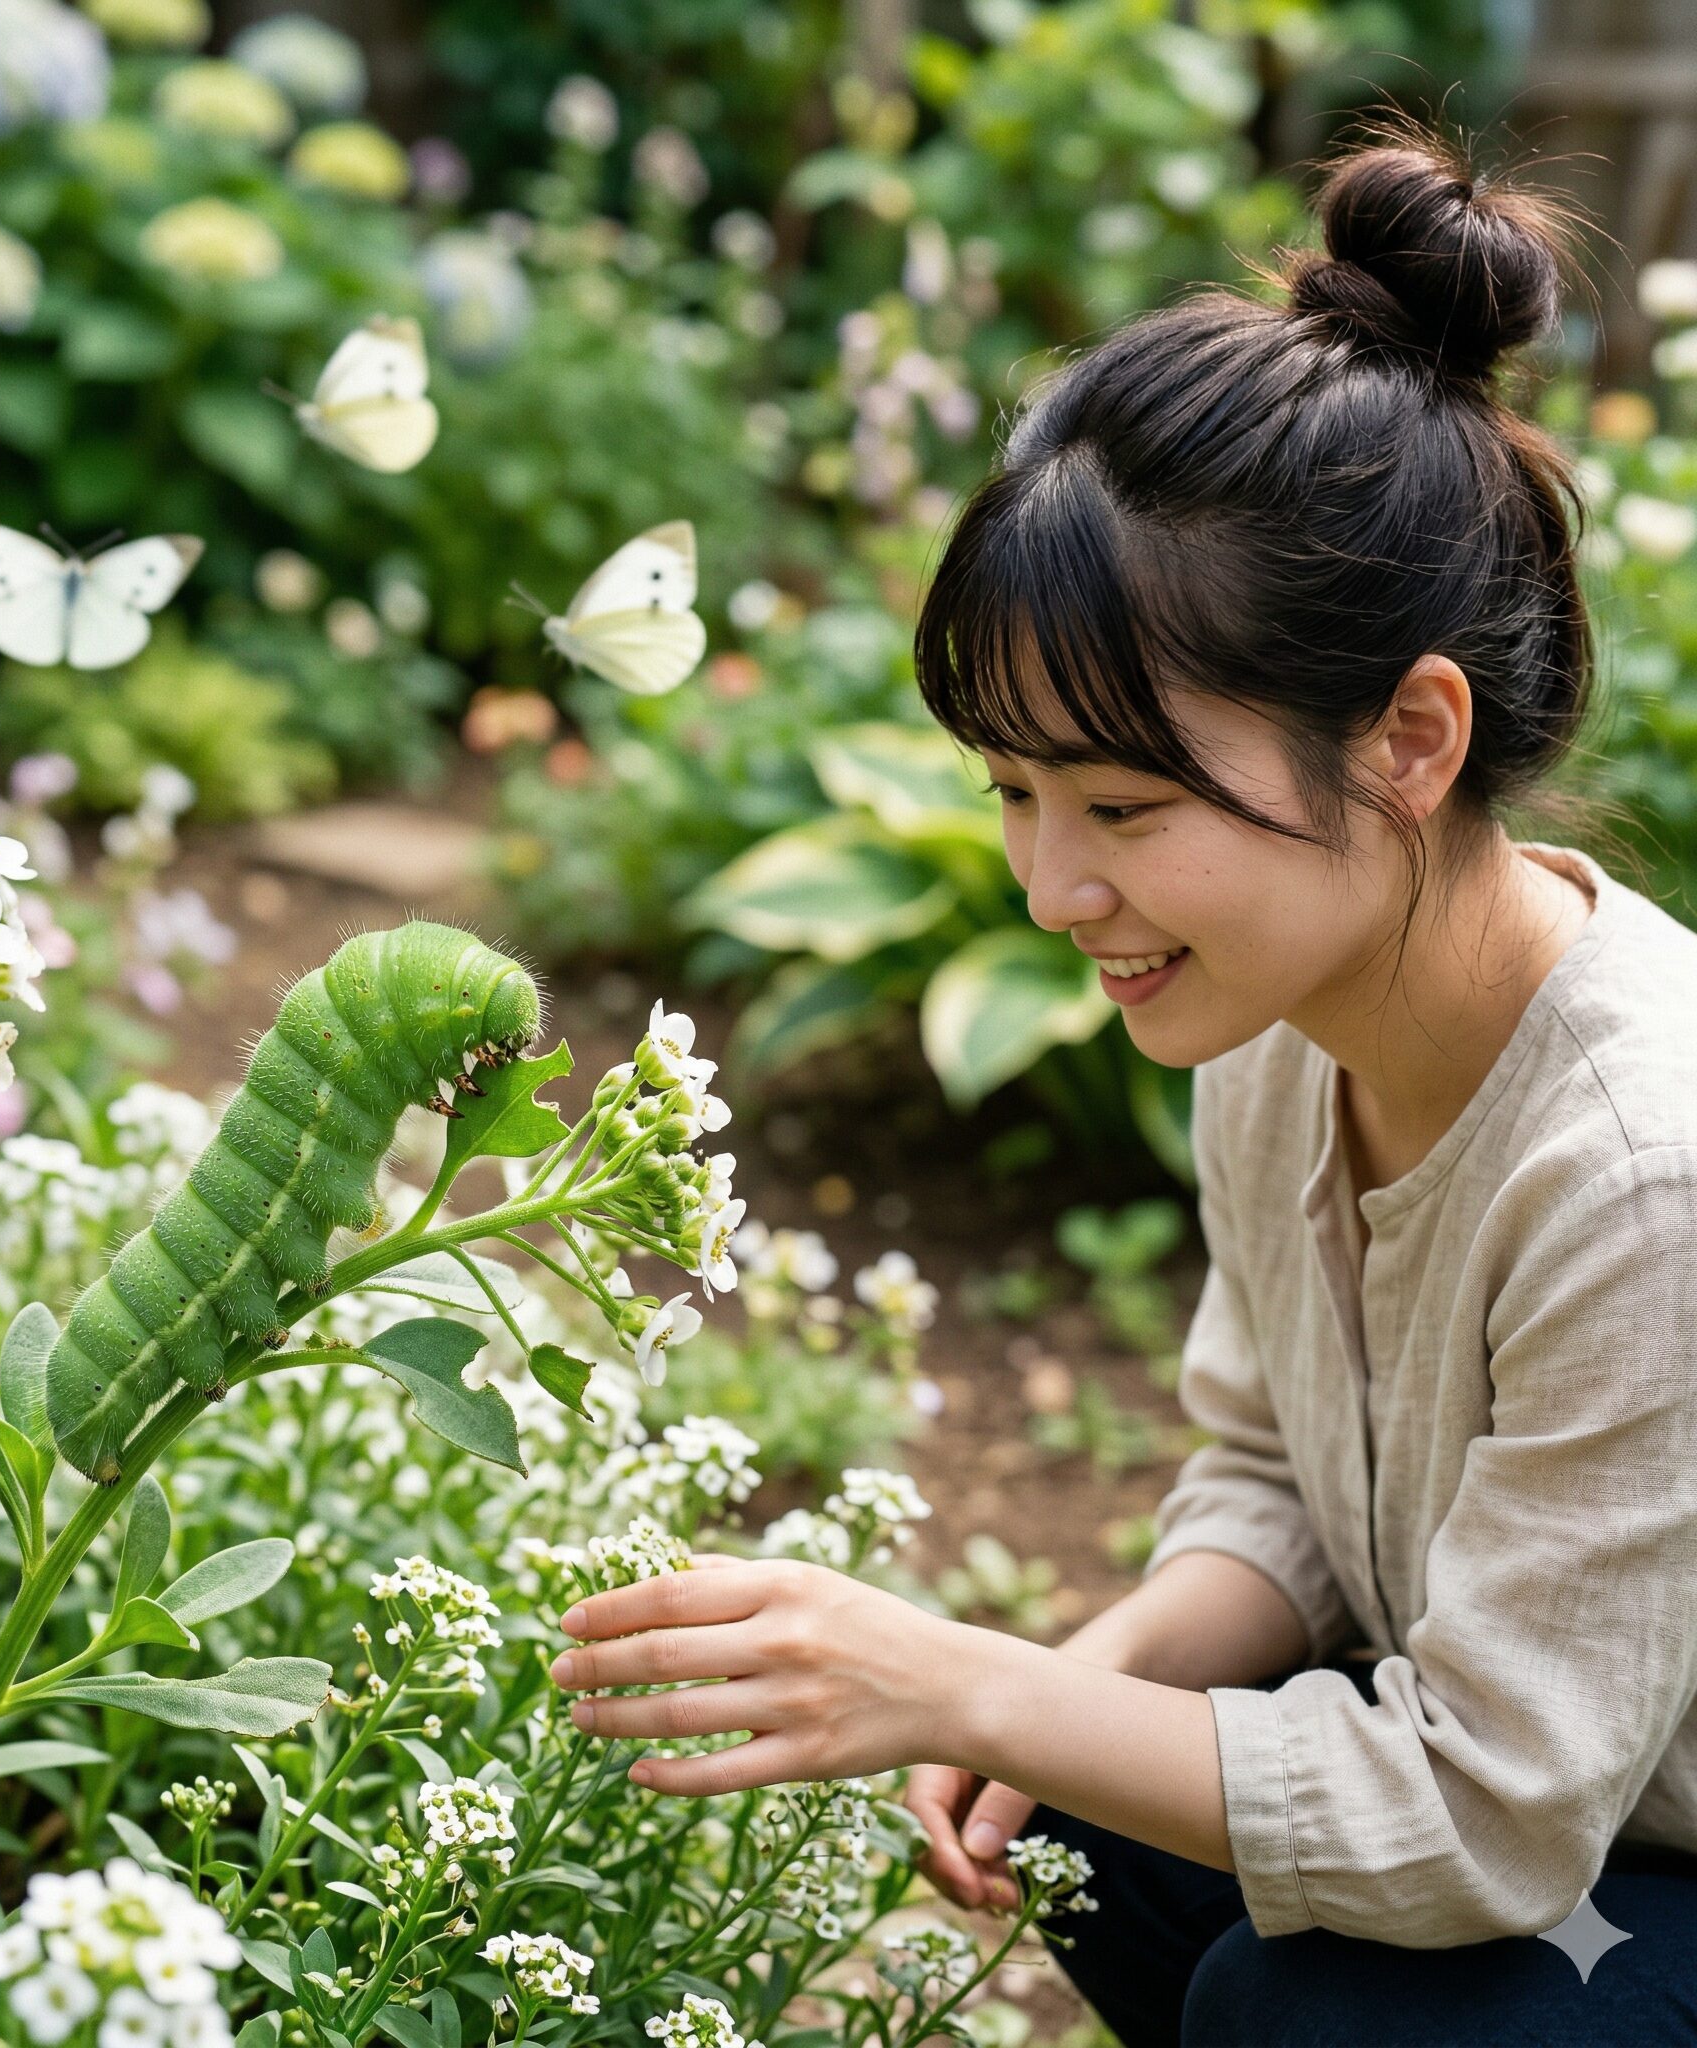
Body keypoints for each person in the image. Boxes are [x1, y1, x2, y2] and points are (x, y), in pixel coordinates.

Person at [546, 114, 1697, 2045]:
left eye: (1126, 805)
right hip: (1553, 1806)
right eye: (1013, 793)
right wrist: (1068, 1686)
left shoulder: (1638, 1169)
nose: (1050, 885)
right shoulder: (1278, 1015)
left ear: (1413, 737)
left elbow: (1493, 1818)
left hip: (1608, 1847)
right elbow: (1282, 1487)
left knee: (1308, 2001)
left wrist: (970, 1685)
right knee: (1090, 1813)